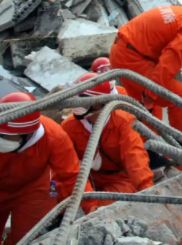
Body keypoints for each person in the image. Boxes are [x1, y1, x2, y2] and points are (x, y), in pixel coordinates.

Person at [0, 92, 96, 245]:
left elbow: (72, 176)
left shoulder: (54, 137)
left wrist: (92, 210)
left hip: (33, 192)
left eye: (5, 136)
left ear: (27, 135)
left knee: (25, 238)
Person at [109, 4, 182, 136]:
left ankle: (147, 151)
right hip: (132, 58)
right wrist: (151, 94)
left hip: (123, 51)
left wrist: (150, 96)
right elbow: (168, 64)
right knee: (180, 98)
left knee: (147, 109)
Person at [62, 74, 153, 205]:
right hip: (86, 178)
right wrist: (89, 203)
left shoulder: (122, 121)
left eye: (82, 99)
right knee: (59, 196)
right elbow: (67, 169)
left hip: (118, 179)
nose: (76, 102)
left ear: (100, 102)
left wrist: (147, 191)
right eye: (76, 97)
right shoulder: (69, 126)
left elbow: (135, 157)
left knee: (113, 200)